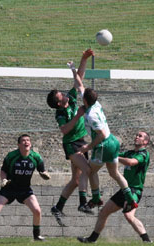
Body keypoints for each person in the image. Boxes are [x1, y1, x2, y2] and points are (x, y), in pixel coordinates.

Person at [0, 134, 51, 243]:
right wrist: (3, 180)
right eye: (23, 141)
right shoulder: (12, 156)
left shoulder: (36, 157)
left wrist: (45, 174)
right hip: (9, 188)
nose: (26, 142)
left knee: (37, 211)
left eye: (28, 140)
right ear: (19, 145)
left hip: (24, 189)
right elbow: (3, 170)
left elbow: (42, 171)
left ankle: (37, 236)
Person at [47, 49, 94, 226]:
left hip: (81, 140)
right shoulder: (61, 112)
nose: (65, 95)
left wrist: (83, 59)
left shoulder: (71, 98)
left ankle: (58, 207)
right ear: (59, 103)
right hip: (71, 144)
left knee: (76, 180)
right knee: (87, 169)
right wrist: (78, 116)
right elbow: (65, 130)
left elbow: (79, 78)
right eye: (61, 96)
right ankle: (83, 203)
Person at [78, 131, 152, 243]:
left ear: (145, 142)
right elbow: (115, 156)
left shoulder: (144, 154)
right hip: (124, 189)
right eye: (136, 134)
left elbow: (131, 162)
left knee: (129, 215)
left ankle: (146, 240)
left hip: (134, 190)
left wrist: (113, 157)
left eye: (140, 136)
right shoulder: (129, 152)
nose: (136, 136)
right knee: (103, 212)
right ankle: (92, 239)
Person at [77, 86, 138, 213]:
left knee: (89, 171)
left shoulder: (91, 115)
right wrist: (73, 70)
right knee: (114, 173)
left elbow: (102, 135)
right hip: (113, 141)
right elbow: (79, 84)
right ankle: (131, 200)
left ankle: (95, 198)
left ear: (85, 100)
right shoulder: (95, 104)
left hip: (104, 145)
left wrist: (87, 147)